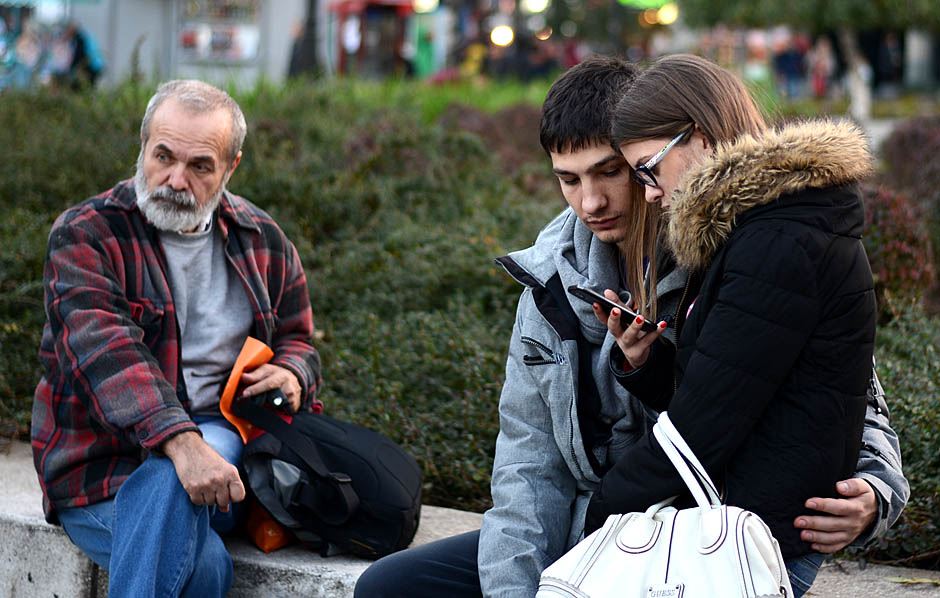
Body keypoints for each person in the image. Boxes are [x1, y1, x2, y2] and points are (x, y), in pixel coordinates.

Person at [353, 56, 908, 597]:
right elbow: (526, 466)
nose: (589, 201)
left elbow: (849, 391)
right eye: (567, 180)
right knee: (389, 586)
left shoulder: (732, 252)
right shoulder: (550, 284)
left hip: (695, 537)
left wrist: (878, 494)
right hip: (591, 529)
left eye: (611, 172)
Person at [585, 53, 897, 597]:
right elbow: (746, 387)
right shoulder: (760, 226)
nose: (650, 192)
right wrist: (649, 364)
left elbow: (704, 428)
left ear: (700, 138)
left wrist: (601, 518)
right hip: (742, 527)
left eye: (647, 169)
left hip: (747, 546)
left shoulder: (778, 240)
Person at [32, 79, 322, 597]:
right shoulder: (86, 234)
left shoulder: (263, 239)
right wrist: (182, 444)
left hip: (228, 471)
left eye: (200, 166)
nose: (174, 179)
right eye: (162, 156)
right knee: (205, 567)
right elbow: (108, 355)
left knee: (185, 467)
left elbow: (300, 339)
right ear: (142, 146)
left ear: (231, 167)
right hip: (103, 472)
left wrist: (293, 371)